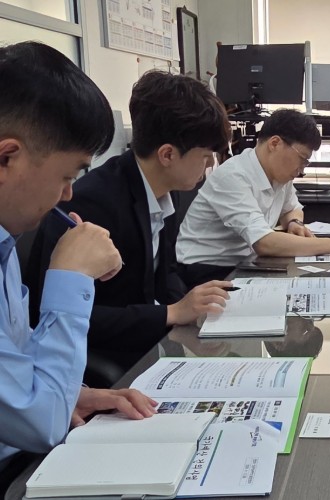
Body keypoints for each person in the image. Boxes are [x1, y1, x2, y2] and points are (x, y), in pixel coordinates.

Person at [0, 41, 155, 485]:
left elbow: (17, 377)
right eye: (67, 175)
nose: (68, 194)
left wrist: (74, 394)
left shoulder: (6, 239)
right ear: (6, 158)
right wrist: (69, 278)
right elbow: (41, 425)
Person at [30, 71, 233, 373]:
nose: (209, 166)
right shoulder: (92, 202)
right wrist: (171, 313)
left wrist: (192, 310)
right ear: (168, 155)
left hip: (150, 343)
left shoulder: (165, 190)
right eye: (205, 156)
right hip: (101, 359)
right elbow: (64, 314)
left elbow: (166, 273)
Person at [176, 108, 330, 287]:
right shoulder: (234, 176)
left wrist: (294, 223)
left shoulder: (279, 175)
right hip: (207, 271)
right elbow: (264, 243)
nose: (302, 169)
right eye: (302, 159)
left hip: (246, 263)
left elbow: (292, 208)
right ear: (275, 144)